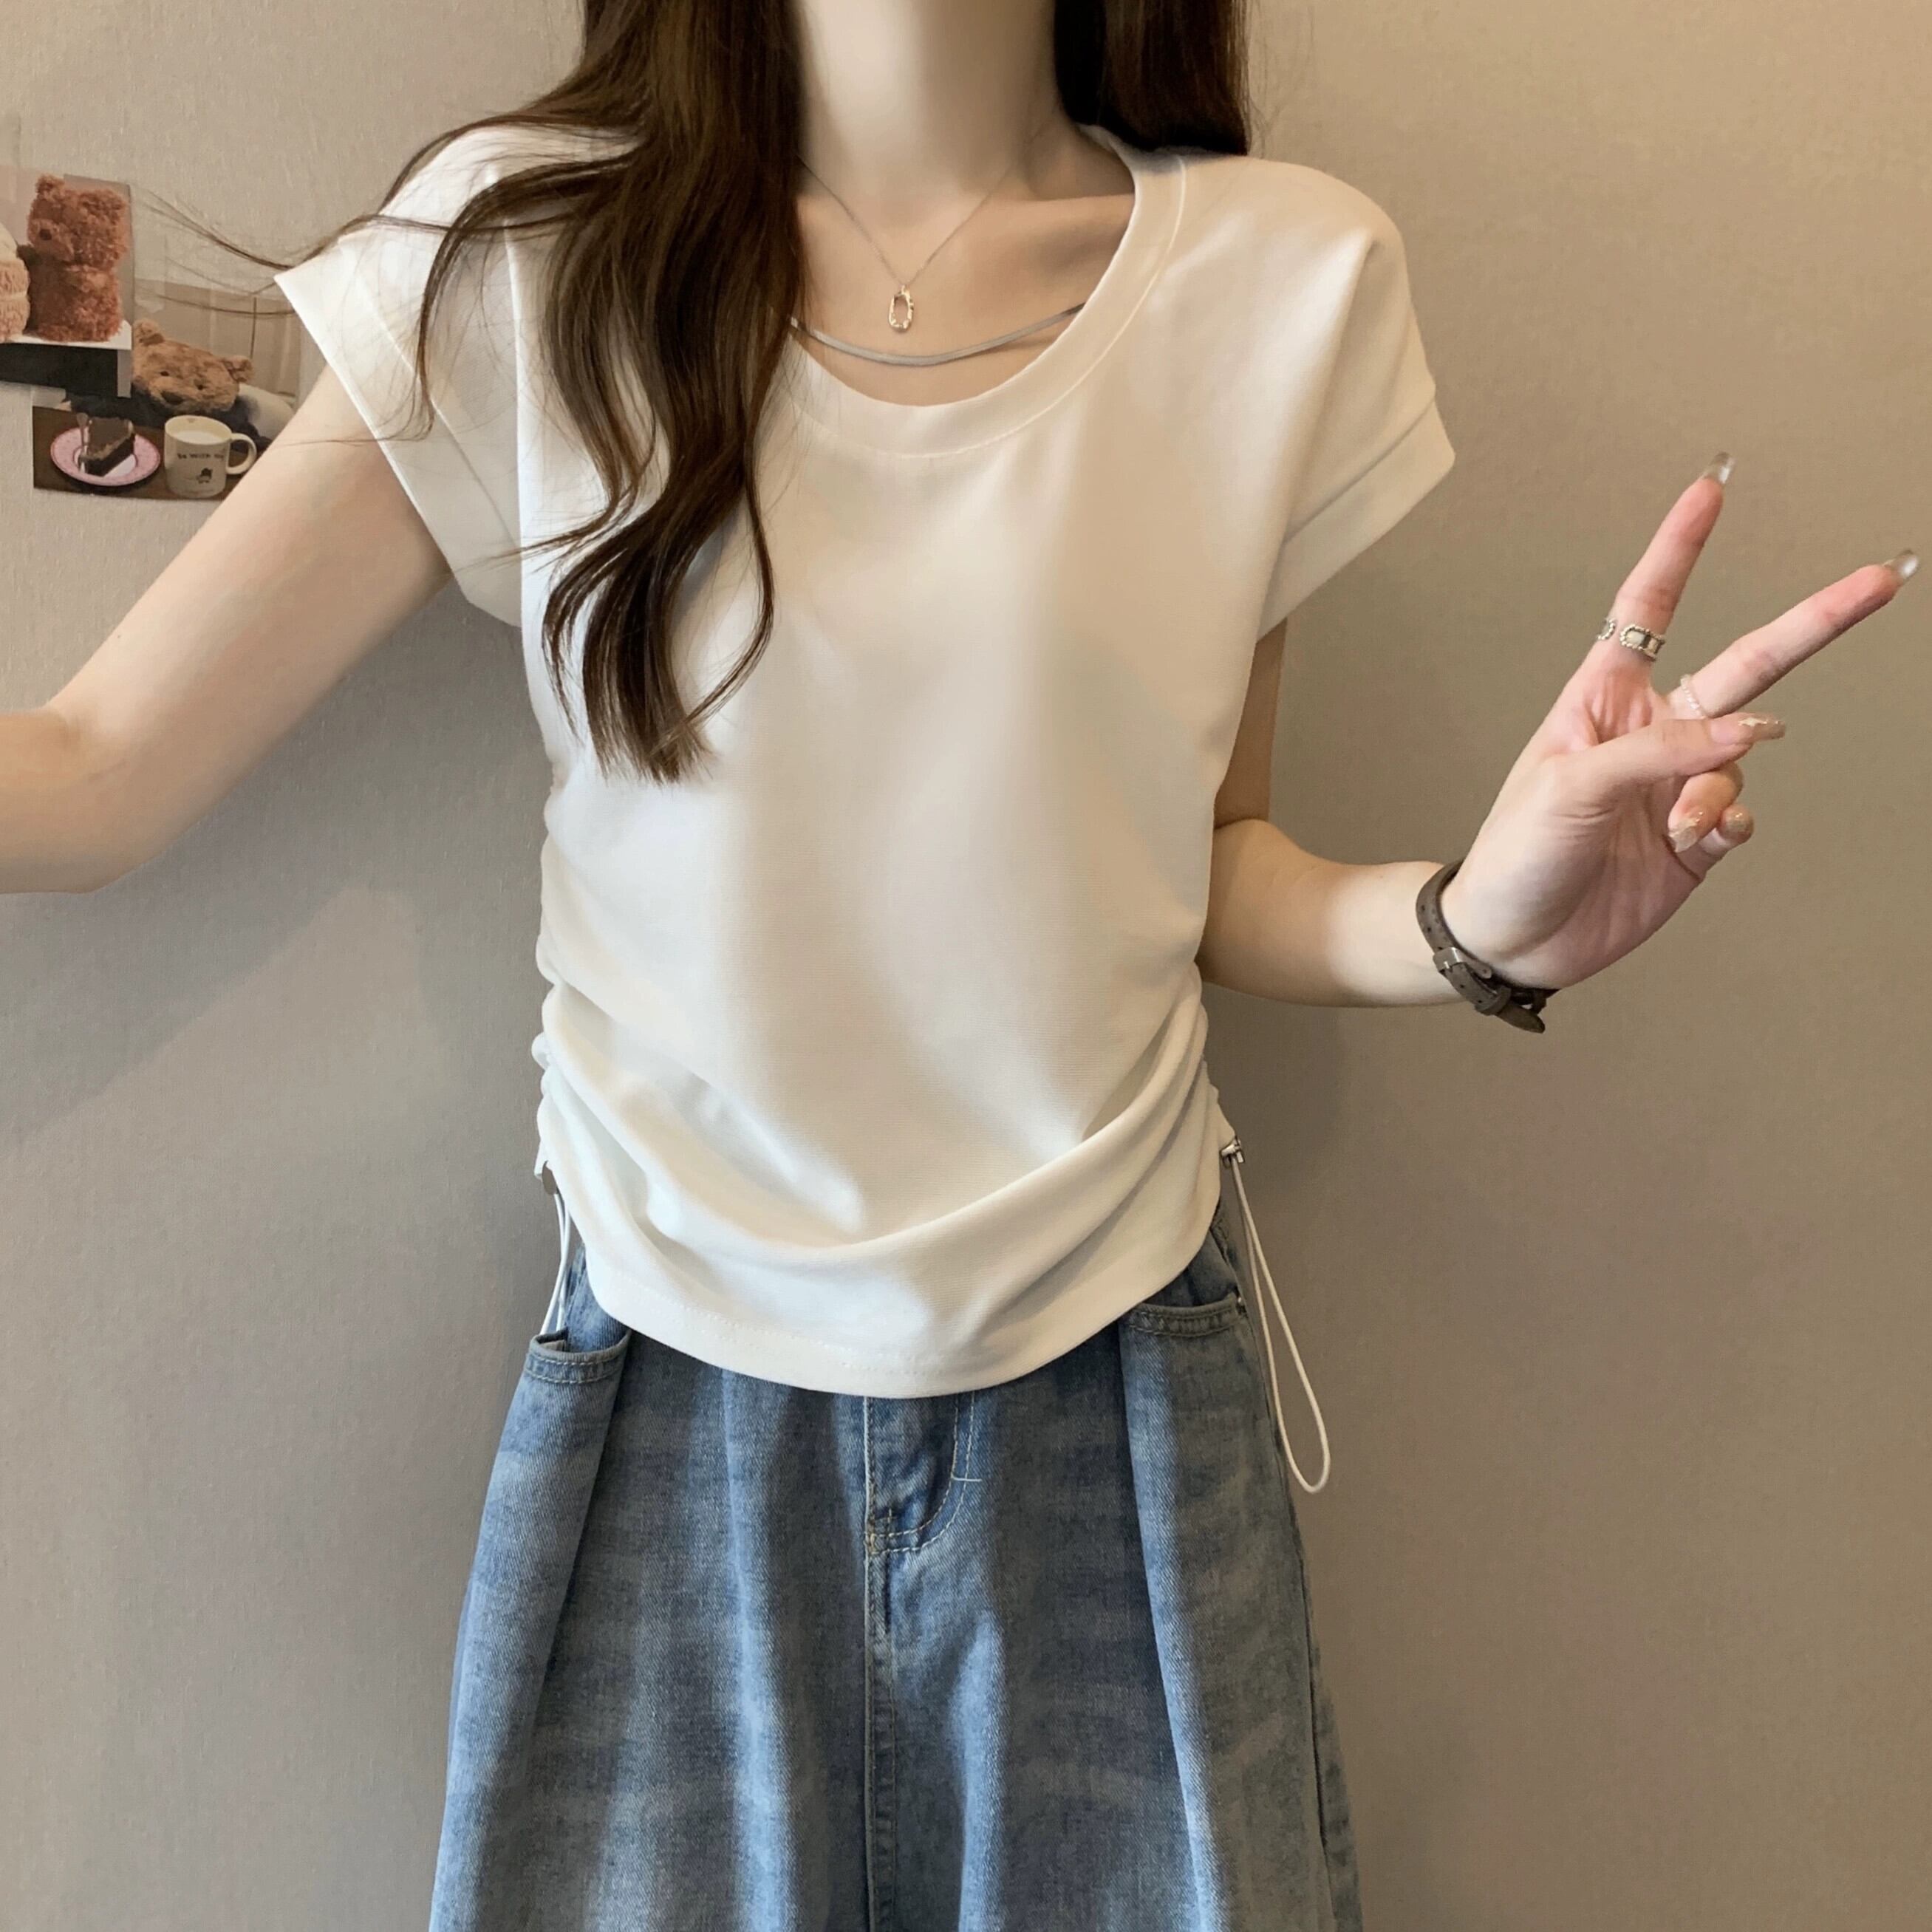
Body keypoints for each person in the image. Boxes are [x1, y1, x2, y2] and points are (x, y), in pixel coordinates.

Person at [2, 1, 1914, 1926]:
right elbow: (89, 776)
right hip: (668, 1392)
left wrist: (1469, 927)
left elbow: (1204, 860)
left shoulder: (1281, 278)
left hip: (1122, 1383)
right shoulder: (527, 260)